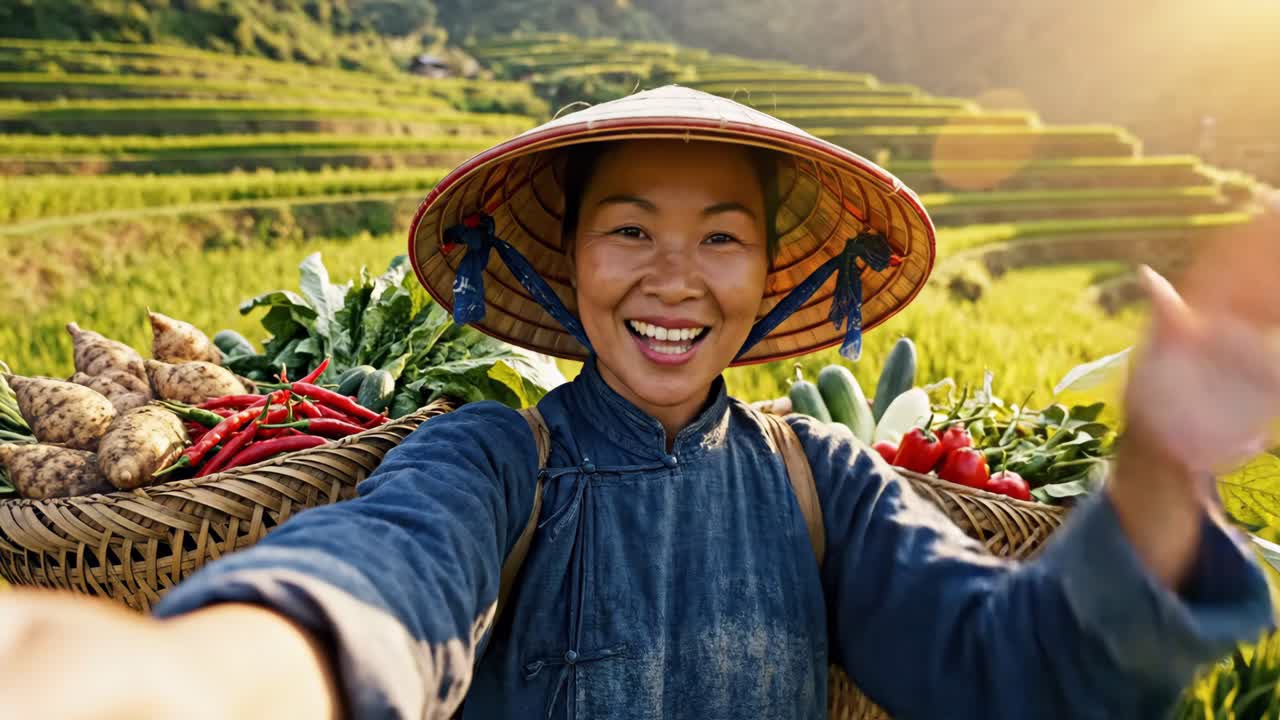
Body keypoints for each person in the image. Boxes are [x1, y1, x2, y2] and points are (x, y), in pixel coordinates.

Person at [0, 85, 1278, 720]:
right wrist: (202, 680)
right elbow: (377, 583)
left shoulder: (818, 478)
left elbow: (1011, 666)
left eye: (722, 238)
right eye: (628, 229)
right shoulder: (494, 458)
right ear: (569, 262)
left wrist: (1160, 471)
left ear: (770, 273)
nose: (673, 279)